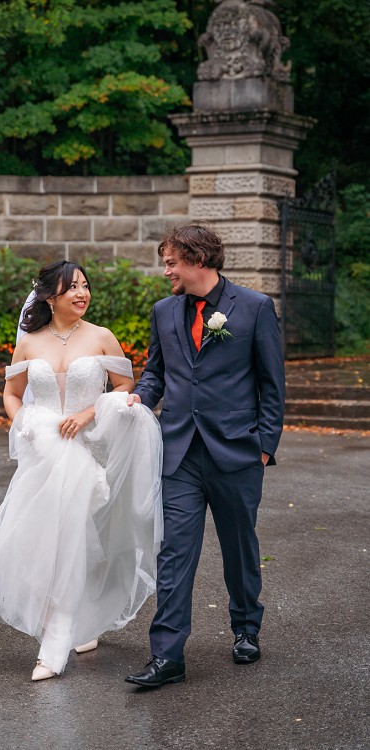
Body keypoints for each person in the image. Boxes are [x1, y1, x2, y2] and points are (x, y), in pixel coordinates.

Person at [0, 260, 163, 681]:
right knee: (52, 543)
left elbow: (127, 387)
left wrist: (91, 412)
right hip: (46, 456)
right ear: (49, 296)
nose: (81, 293)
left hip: (91, 449)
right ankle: (64, 635)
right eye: (71, 287)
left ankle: (62, 640)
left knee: (84, 540)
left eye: (86, 286)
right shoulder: (30, 343)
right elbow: (12, 394)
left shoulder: (102, 336)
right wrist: (27, 426)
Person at [125, 224, 285, 688]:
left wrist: (263, 446)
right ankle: (168, 655)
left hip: (236, 451)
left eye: (172, 262)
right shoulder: (163, 312)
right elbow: (156, 371)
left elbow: (272, 384)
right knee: (175, 552)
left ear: (198, 260)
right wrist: (139, 398)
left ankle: (245, 630)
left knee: (239, 547)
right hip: (179, 454)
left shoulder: (253, 308)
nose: (166, 270)